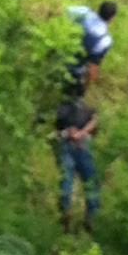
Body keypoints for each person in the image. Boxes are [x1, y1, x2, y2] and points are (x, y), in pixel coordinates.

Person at [55, 98, 100, 233]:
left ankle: (78, 216)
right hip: (78, 146)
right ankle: (73, 216)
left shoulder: (65, 107)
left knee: (69, 180)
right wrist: (75, 133)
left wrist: (80, 133)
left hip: (75, 146)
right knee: (82, 182)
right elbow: (95, 121)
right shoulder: (81, 107)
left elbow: (95, 120)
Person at [65, 1, 116, 95]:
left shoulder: (84, 12)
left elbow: (63, 12)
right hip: (72, 71)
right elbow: (92, 68)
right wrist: (84, 88)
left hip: (59, 54)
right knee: (72, 97)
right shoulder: (105, 40)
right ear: (112, 18)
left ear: (98, 9)